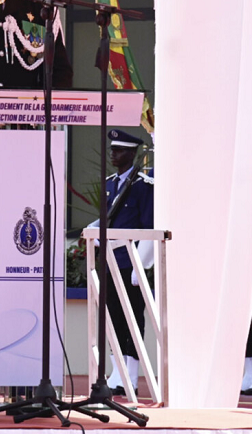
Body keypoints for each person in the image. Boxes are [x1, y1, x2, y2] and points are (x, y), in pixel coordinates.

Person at [101, 129, 154, 397]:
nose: (113, 153)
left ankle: (130, 375)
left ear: (132, 154)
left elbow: (149, 227)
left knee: (132, 318)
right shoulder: (110, 183)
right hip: (111, 260)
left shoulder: (143, 186)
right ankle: (116, 372)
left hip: (130, 261)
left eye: (119, 150)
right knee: (112, 317)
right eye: (112, 149)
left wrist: (140, 265)